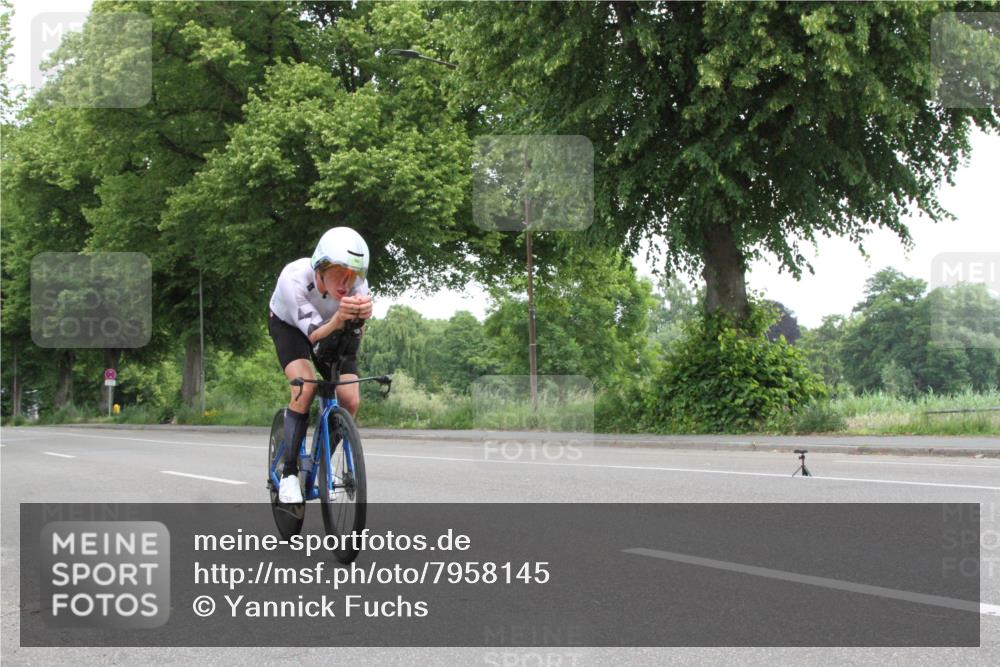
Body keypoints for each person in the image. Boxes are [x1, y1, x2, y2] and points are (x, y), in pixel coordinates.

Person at [267, 227, 373, 503]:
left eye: (355, 274)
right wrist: (339, 320)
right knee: (306, 387)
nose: (347, 282)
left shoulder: (358, 287)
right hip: (291, 327)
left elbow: (354, 333)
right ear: (321, 267)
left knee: (349, 399)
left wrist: (359, 321)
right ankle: (290, 475)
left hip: (333, 328)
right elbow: (313, 334)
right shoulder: (295, 279)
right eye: (340, 272)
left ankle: (323, 460)